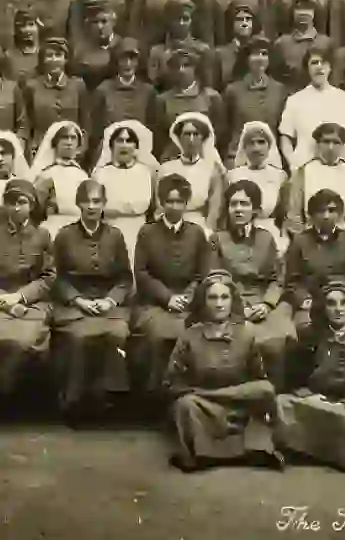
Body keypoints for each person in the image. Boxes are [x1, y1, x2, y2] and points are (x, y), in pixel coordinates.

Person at [164, 270, 281, 472]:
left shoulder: (246, 332)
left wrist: (243, 394)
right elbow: (171, 383)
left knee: (266, 390)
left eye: (224, 297)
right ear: (204, 301)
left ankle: (253, 448)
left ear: (232, 300)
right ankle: (206, 455)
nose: (219, 304)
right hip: (204, 406)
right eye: (213, 297)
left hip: (238, 404)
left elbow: (258, 378)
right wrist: (200, 394)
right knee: (185, 404)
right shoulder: (189, 335)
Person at [275, 279, 345, 473]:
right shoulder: (309, 335)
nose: (338, 309)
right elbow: (292, 380)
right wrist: (308, 395)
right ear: (324, 307)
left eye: (344, 303)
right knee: (282, 403)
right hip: (314, 402)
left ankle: (314, 449)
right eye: (331, 303)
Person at [50, 180, 131, 420]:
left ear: (104, 204)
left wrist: (111, 300)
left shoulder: (115, 236)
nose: (92, 206)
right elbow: (57, 277)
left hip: (108, 304)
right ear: (78, 204)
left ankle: (106, 397)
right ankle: (73, 401)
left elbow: (125, 278)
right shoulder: (64, 236)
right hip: (74, 305)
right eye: (87, 201)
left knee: (117, 333)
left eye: (97, 201)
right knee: (79, 337)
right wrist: (78, 300)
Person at [130, 174, 211, 397]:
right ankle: (156, 394)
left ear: (186, 204)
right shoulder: (147, 232)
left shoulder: (196, 233)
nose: (174, 206)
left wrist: (188, 296)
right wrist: (167, 298)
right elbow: (142, 273)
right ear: (161, 203)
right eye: (170, 201)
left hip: (189, 302)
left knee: (196, 334)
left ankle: (190, 394)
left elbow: (202, 273)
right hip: (153, 303)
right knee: (160, 335)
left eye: (179, 201)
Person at [208, 180, 295, 388]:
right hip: (229, 304)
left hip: (263, 302)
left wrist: (267, 304)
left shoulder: (266, 238)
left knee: (278, 340)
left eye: (244, 204)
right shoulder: (217, 239)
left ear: (255, 209)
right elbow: (214, 278)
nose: (238, 209)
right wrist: (239, 308)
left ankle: (274, 396)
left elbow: (277, 278)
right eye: (234, 204)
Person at [283, 189, 345, 339]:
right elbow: (292, 281)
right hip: (311, 303)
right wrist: (303, 299)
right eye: (321, 211)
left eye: (332, 210)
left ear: (340, 214)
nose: (326, 216)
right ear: (312, 215)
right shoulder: (300, 241)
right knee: (304, 331)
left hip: (343, 304)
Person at [0, 180, 55, 399]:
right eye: (10, 202)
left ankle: (7, 394)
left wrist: (21, 297)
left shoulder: (42, 236)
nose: (15, 208)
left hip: (32, 304)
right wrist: (5, 299)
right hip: (2, 301)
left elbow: (50, 277)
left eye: (21, 202)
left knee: (23, 342)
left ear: (31, 206)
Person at [279, 45, 345, 172]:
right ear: (308, 68)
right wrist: (292, 162)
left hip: (339, 168)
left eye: (324, 62)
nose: (319, 66)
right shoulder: (295, 100)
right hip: (305, 168)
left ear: (330, 68)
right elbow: (285, 137)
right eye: (314, 63)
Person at [92, 121, 158, 265]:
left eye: (129, 141)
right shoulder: (100, 174)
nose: (124, 145)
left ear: (136, 147)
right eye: (119, 141)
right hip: (109, 231)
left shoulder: (147, 172)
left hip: (139, 232)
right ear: (111, 146)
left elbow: (153, 207)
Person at [284, 122, 345, 236]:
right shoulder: (305, 171)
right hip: (311, 234)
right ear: (318, 144)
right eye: (326, 142)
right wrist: (302, 239)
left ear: (342, 145)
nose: (330, 147)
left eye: (336, 142)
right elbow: (294, 212)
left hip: (342, 235)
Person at [152, 47, 225, 159]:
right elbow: (159, 137)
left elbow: (219, 132)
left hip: (205, 157)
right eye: (176, 67)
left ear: (195, 69)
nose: (181, 70)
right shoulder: (162, 100)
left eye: (186, 66)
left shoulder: (211, 97)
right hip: (173, 158)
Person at [157, 112, 225, 235]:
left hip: (199, 227)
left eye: (196, 134)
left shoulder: (212, 169)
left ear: (203, 138)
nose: (191, 139)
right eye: (187, 134)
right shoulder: (166, 168)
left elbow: (215, 207)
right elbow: (159, 205)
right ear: (179, 138)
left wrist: (208, 231)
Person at [226, 122, 289, 251]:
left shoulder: (279, 176)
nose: (256, 148)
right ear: (244, 147)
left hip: (270, 231)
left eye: (261, 142)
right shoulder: (232, 176)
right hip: (237, 233)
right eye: (251, 143)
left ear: (269, 146)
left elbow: (284, 214)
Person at [23, 38, 90, 155]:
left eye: (58, 55)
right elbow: (27, 123)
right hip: (40, 150)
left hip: (71, 149)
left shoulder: (78, 85)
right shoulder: (32, 87)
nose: (54, 60)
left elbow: (85, 122)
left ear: (66, 59)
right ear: (43, 60)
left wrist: (81, 149)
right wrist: (30, 149)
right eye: (49, 56)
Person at [30, 120, 90, 239]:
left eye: (73, 138)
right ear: (55, 143)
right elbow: (36, 210)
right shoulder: (46, 175)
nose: (69, 142)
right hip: (55, 228)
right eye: (64, 138)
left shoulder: (82, 175)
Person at [271, 0, 334, 90]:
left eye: (308, 9)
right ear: (292, 12)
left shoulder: (326, 43)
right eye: (298, 9)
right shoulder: (282, 44)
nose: (303, 13)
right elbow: (276, 78)